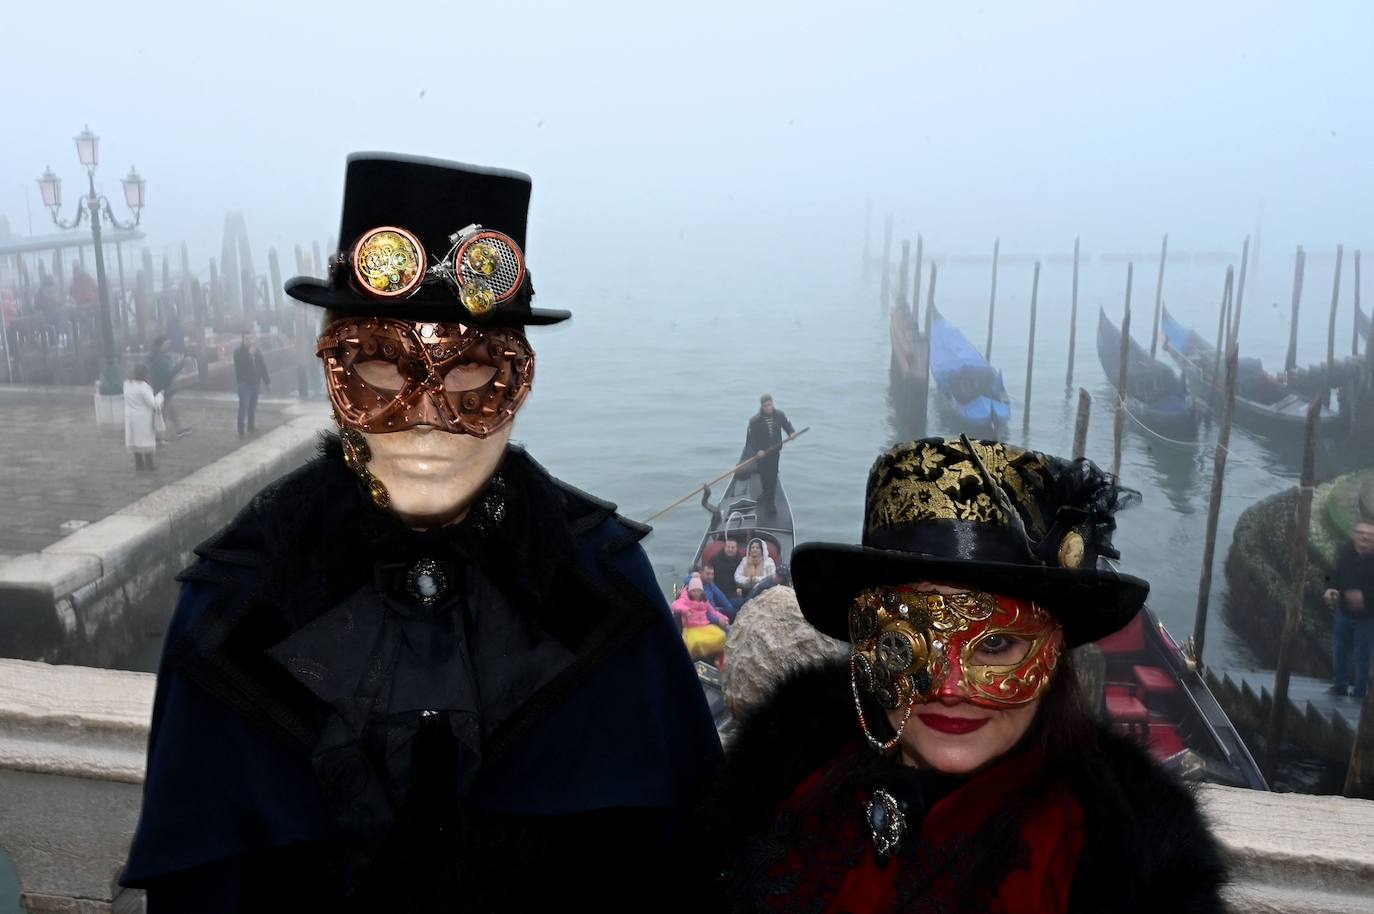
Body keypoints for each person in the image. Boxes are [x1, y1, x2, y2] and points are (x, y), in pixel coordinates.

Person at [121, 153, 722, 912]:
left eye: (471, 373)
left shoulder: (604, 585)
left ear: (521, 379)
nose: (428, 417)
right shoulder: (238, 602)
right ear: (332, 374)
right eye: (378, 368)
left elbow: (682, 864)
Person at [699, 436, 1227, 913]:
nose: (949, 690)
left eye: (995, 644)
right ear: (869, 640)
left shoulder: (1118, 858)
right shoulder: (783, 773)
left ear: (1055, 651)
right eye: (910, 641)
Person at [1325, 521, 1374, 698]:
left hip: (1368, 618)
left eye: (1370, 535)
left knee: (1363, 658)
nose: (1365, 537)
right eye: (1361, 533)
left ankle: (1360, 695)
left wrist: (1365, 597)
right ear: (1353, 535)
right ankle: (1339, 686)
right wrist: (1330, 587)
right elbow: (1333, 573)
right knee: (1339, 652)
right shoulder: (1343, 551)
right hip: (1344, 613)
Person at [744, 393, 795, 511]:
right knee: (764, 476)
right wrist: (758, 451)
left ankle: (770, 503)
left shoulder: (779, 415)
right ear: (762, 406)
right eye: (766, 406)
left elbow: (787, 425)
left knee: (772, 476)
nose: (769, 407)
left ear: (773, 404)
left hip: (775, 451)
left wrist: (791, 433)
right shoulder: (755, 421)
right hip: (762, 453)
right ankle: (765, 494)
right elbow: (751, 439)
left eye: (770, 405)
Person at [673, 573, 731, 660]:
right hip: (691, 628)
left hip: (705, 626)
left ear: (702, 591)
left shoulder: (704, 600)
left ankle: (714, 657)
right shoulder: (685, 599)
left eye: (698, 590)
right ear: (689, 591)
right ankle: (697, 659)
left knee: (721, 635)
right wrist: (686, 609)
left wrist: (722, 617)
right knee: (697, 642)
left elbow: (713, 611)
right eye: (694, 590)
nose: (696, 593)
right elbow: (675, 605)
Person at [148, 336, 191, 439]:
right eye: (167, 344)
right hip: (164, 389)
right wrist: (180, 365)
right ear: (161, 345)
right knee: (164, 413)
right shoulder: (160, 359)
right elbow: (167, 375)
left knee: (171, 409)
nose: (169, 345)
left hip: (160, 388)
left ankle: (179, 429)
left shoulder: (155, 356)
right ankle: (159, 436)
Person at [123, 365, 163, 471]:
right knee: (146, 441)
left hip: (131, 417)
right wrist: (160, 396)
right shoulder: (143, 387)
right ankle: (150, 465)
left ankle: (139, 463)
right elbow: (153, 404)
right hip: (143, 418)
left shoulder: (127, 384)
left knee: (135, 440)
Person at [233, 330, 270, 437]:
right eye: (246, 339)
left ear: (253, 339)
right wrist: (249, 354)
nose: (249, 341)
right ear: (243, 340)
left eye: (250, 338)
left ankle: (251, 426)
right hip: (244, 383)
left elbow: (262, 366)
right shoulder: (238, 352)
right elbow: (240, 365)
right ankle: (241, 430)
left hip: (255, 383)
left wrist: (267, 381)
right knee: (244, 405)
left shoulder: (257, 351)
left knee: (253, 406)